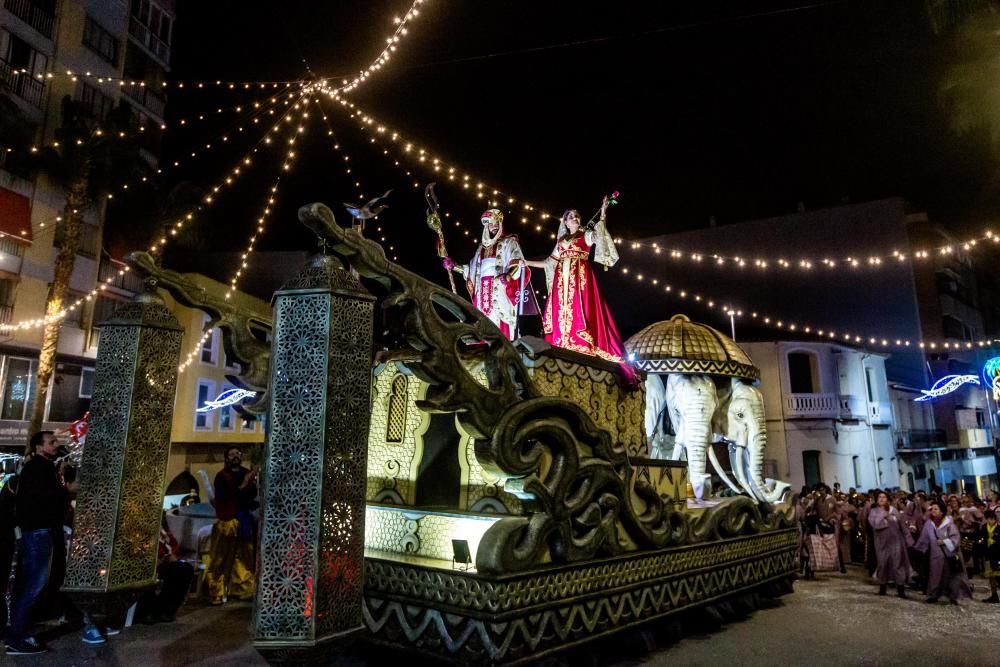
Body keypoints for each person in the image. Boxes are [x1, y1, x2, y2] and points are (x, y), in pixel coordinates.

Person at [524, 198, 631, 374]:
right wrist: (526, 262)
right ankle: (563, 342)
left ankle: (580, 343)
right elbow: (549, 263)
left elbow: (599, 235)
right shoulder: (561, 242)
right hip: (561, 283)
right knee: (562, 311)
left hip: (580, 280)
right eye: (571, 216)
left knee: (580, 309)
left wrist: (603, 214)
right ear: (565, 222)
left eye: (577, 216)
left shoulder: (585, 236)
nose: (574, 218)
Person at [5, 432, 65, 655]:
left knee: (30, 583)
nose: (56, 445)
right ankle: (16, 638)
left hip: (36, 532)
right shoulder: (39, 469)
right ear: (39, 447)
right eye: (51, 442)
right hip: (36, 533)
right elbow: (44, 499)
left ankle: (18, 632)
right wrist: (65, 491)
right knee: (32, 585)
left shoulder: (39, 468)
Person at [442, 208, 526, 339]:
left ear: (500, 224)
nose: (492, 226)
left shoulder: (509, 242)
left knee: (502, 328)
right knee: (481, 326)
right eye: (489, 224)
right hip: (481, 293)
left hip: (500, 288)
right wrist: (454, 266)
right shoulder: (480, 248)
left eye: (494, 223)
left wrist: (509, 275)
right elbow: (471, 270)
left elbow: (517, 262)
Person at [205, 447, 258, 605]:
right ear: (227, 458)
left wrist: (250, 484)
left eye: (238, 453)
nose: (236, 456)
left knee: (243, 557)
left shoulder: (245, 472)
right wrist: (244, 484)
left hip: (243, 520)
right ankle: (216, 591)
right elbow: (225, 496)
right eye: (232, 454)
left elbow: (251, 494)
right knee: (221, 558)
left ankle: (242, 589)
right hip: (227, 521)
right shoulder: (222, 476)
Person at [137, 516, 195, 623]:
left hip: (161, 562)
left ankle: (165, 611)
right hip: (140, 563)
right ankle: (144, 612)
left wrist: (167, 556)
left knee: (184, 569)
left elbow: (169, 546)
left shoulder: (156, 524)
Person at [915, 499, 972, 605]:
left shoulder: (949, 523)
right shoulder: (929, 524)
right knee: (935, 575)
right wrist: (920, 549)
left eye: (936, 509)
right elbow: (924, 538)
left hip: (949, 554)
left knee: (952, 577)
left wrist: (944, 541)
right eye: (932, 509)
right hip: (935, 555)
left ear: (942, 511)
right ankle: (933, 595)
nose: (933, 511)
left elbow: (956, 538)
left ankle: (954, 596)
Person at [867, 490, 912, 597]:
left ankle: (900, 589)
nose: (882, 499)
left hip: (896, 541)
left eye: (884, 497)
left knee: (897, 564)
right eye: (879, 497)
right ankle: (882, 587)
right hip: (881, 542)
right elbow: (874, 524)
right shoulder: (874, 511)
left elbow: (902, 525)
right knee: (883, 564)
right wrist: (884, 516)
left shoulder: (894, 510)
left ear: (888, 499)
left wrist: (908, 538)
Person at [977, 509, 999, 603]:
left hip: (998, 555)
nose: (990, 521)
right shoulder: (984, 528)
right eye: (988, 519)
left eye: (992, 519)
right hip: (988, 554)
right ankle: (994, 595)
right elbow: (979, 538)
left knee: (998, 575)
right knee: (991, 577)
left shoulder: (999, 529)